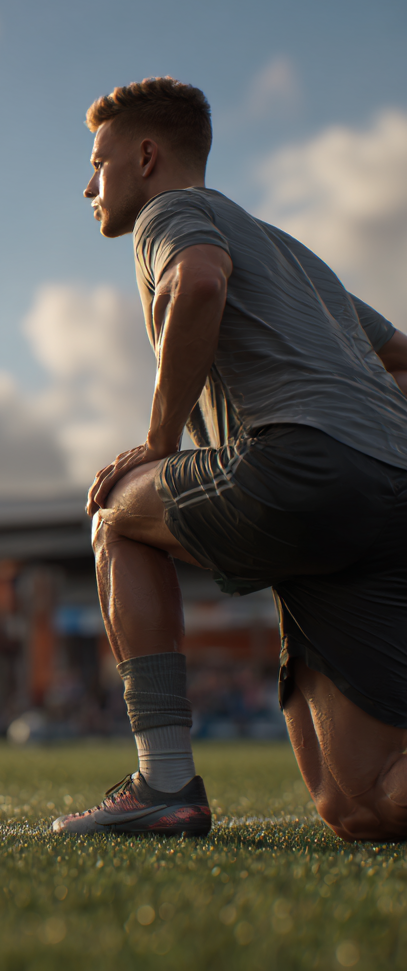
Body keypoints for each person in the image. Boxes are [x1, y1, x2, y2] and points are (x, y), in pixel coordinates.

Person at [50, 77, 407, 841]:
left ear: (147, 157)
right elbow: (401, 358)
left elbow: (200, 281)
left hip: (307, 467)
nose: (88, 184)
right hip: (390, 490)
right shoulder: (296, 256)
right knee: (362, 803)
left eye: (99, 161)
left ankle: (165, 783)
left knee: (117, 512)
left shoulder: (169, 211)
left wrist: (157, 443)